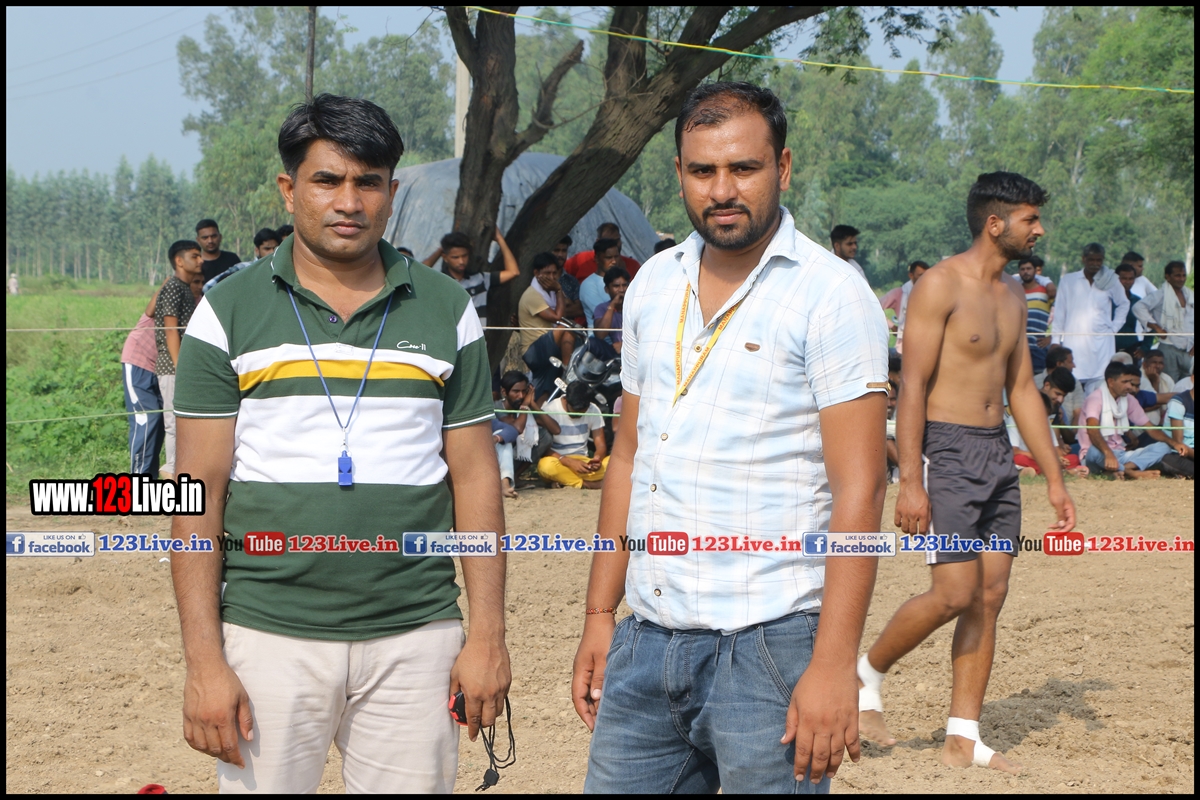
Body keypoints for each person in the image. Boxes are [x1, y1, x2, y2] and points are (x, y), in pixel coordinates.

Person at [169, 94, 509, 793]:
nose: (349, 202)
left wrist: (487, 636)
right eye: (327, 180)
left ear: (392, 192)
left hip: (417, 635)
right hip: (267, 634)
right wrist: (204, 662)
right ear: (289, 188)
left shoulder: (446, 308)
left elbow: (476, 478)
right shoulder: (226, 311)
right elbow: (197, 494)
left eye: (368, 182)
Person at [573, 81, 889, 793]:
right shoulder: (653, 284)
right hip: (646, 638)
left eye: (743, 168)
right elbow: (629, 456)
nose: (722, 190)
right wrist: (599, 615)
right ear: (680, 173)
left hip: (772, 645)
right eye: (702, 170)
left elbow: (861, 489)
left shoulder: (832, 294)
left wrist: (833, 664)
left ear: (783, 167)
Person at [859, 171, 1076, 776]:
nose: (1039, 230)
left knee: (990, 595)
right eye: (1031, 219)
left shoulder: (1013, 295)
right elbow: (912, 384)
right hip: (947, 452)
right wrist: (910, 479)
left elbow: (1023, 389)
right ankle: (865, 673)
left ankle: (963, 736)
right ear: (995, 223)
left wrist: (1054, 479)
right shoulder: (939, 284)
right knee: (954, 593)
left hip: (997, 454)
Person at [1078, 362, 1182, 479]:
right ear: (1111, 382)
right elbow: (1092, 430)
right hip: (1098, 455)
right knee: (1094, 451)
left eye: (1130, 382)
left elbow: (1150, 428)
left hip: (1120, 454)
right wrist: (1108, 453)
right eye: (1124, 382)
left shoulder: (1128, 399)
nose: (1129, 387)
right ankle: (1131, 473)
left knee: (1164, 447)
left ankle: (1120, 470)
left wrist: (1174, 443)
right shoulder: (1095, 399)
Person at [154, 240, 203, 479]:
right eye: (194, 256)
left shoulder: (184, 288)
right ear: (179, 261)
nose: (200, 260)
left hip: (179, 366)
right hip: (172, 367)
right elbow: (171, 329)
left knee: (183, 422)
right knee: (174, 424)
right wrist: (180, 367)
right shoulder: (173, 287)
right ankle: (172, 473)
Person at [1052, 243, 1128, 395]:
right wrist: (1055, 340)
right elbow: (1060, 312)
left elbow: (1124, 304)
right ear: (1083, 259)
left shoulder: (1110, 281)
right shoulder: (1069, 280)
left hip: (1102, 344)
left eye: (1099, 260)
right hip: (1075, 342)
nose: (1095, 264)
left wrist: (1113, 328)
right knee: (1072, 386)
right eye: (1091, 260)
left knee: (1100, 387)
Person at [422, 228, 520, 327]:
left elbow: (513, 272)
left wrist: (500, 239)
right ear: (445, 257)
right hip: (450, 336)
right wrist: (440, 250)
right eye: (455, 257)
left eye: (464, 256)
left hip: (478, 336)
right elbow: (417, 273)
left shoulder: (480, 279)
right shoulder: (439, 283)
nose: (461, 261)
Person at [120, 289, 166, 476]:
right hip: (138, 361)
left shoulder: (195, 301)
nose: (199, 285)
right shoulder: (172, 290)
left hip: (160, 368)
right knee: (146, 419)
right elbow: (150, 310)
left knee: (160, 422)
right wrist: (169, 283)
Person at [1009, 368, 1087, 477]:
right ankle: (1063, 472)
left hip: (1045, 460)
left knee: (1073, 458)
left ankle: (1048, 470)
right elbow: (1014, 451)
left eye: (1063, 396)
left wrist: (1060, 459)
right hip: (1029, 458)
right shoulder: (1015, 419)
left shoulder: (1048, 418)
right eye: (1058, 394)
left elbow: (1056, 449)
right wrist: (1047, 459)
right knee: (1018, 459)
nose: (1060, 400)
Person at [518, 252, 575, 399]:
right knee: (565, 328)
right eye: (547, 273)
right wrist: (558, 290)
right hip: (534, 350)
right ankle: (568, 371)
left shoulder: (549, 293)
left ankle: (540, 408)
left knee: (547, 389)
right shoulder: (532, 295)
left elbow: (566, 310)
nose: (551, 277)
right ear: (536, 273)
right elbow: (558, 318)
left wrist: (557, 292)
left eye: (554, 273)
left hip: (547, 347)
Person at [494, 370, 560, 494]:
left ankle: (515, 475)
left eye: (524, 391)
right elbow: (517, 428)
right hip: (497, 459)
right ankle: (503, 479)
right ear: (504, 392)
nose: (521, 396)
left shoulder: (525, 408)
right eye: (516, 391)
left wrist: (533, 404)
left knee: (545, 436)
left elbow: (556, 430)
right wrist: (525, 404)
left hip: (514, 457)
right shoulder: (497, 407)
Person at [537, 380, 609, 489]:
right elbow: (542, 448)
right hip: (559, 461)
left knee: (614, 463)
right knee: (545, 466)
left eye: (583, 411)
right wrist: (568, 461)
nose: (579, 414)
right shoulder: (550, 409)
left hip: (584, 463)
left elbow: (601, 445)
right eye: (575, 410)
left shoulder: (593, 409)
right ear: (566, 400)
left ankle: (566, 481)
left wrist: (597, 459)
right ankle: (586, 484)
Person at [1133, 260, 1194, 382]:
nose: (1181, 279)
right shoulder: (1160, 295)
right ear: (1168, 277)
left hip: (1189, 348)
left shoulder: (1190, 295)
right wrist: (1156, 327)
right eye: (1177, 275)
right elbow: (1138, 307)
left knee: (1189, 384)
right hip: (1168, 346)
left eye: (1183, 275)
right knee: (1169, 383)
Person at [202, 228, 284, 294]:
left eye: (275, 248)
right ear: (257, 250)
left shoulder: (282, 269)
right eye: (267, 249)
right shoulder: (243, 268)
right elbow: (208, 287)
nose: (272, 252)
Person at [563, 222, 641, 282]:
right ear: (598, 241)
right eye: (608, 241)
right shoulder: (582, 259)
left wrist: (624, 273)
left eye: (616, 241)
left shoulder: (633, 265)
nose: (613, 245)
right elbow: (561, 271)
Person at [1018, 256, 1053, 372]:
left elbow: (1061, 314)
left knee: (1038, 379)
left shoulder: (1046, 291)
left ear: (1035, 270)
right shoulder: (1014, 290)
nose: (1026, 272)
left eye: (1029, 268)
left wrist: (1051, 337)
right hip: (1018, 347)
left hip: (1038, 346)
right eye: (1022, 269)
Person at [579, 237, 622, 328]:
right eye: (608, 258)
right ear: (597, 259)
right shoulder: (588, 284)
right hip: (599, 336)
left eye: (616, 257)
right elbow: (602, 313)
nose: (614, 261)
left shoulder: (624, 281)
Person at [1162, 366, 1194, 478]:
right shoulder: (1179, 402)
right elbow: (1178, 443)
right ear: (1193, 379)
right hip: (1182, 453)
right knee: (1169, 460)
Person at [591, 268, 630, 357]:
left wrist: (624, 345)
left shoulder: (636, 306)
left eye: (625, 285)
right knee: (592, 343)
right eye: (616, 286)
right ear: (607, 289)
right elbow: (600, 335)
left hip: (634, 350)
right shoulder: (602, 308)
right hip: (613, 352)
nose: (621, 290)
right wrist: (612, 306)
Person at [1113, 262, 1144, 357]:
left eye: (1131, 279)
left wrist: (1144, 348)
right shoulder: (1107, 300)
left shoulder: (1137, 301)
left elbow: (1150, 325)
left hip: (1131, 349)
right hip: (1108, 348)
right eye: (1124, 278)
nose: (1128, 282)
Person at [1138, 349, 1176, 427]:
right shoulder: (1138, 378)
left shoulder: (1167, 379)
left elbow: (1173, 402)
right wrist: (1155, 382)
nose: (1158, 366)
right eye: (1154, 362)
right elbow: (1154, 403)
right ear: (1144, 364)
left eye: (1160, 363)